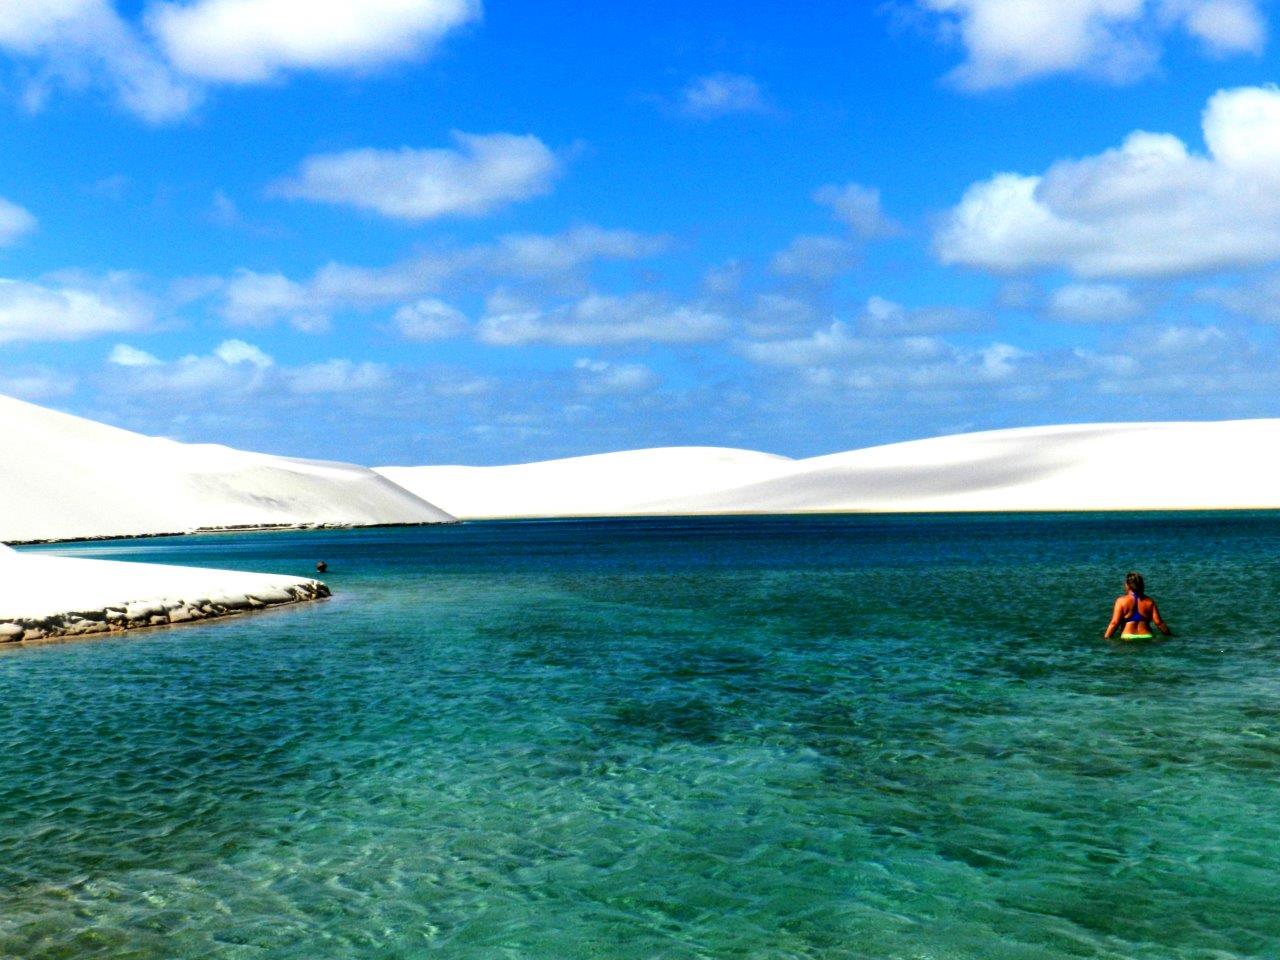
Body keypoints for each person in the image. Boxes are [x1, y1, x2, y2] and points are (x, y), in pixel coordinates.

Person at [1103, 571, 1172, 640]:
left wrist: (1106, 638)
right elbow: (1159, 622)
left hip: (1128, 637)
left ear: (1127, 585)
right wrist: (1170, 636)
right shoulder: (1149, 601)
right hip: (1147, 636)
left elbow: (1114, 623)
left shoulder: (1121, 601)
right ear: (1141, 585)